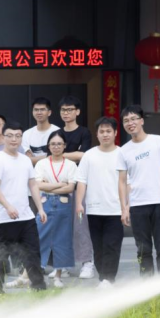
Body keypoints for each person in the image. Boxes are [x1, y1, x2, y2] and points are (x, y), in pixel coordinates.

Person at [0, 121, 47, 294]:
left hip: (26, 217)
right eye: (10, 135)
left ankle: (38, 288)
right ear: (4, 137)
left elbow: (33, 185)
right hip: (4, 218)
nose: (14, 139)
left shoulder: (25, 160)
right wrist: (8, 206)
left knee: (33, 254)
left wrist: (40, 209)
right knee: (0, 257)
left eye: (18, 136)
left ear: (22, 137)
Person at [116, 105, 160, 276]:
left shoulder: (157, 140)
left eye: (133, 119)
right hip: (137, 204)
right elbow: (121, 181)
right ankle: (147, 284)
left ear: (141, 121)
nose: (130, 123)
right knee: (142, 248)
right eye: (126, 120)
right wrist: (124, 208)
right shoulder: (124, 150)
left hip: (159, 202)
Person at [75, 117, 124, 286]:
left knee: (112, 245)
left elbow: (128, 183)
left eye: (108, 131)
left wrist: (127, 207)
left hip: (115, 209)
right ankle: (104, 278)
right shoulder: (89, 155)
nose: (105, 135)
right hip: (94, 209)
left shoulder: (122, 154)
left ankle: (108, 279)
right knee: (98, 247)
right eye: (101, 131)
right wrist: (79, 203)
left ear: (115, 133)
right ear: (97, 134)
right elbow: (82, 180)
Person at [58, 95, 96, 280]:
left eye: (70, 109)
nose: (66, 113)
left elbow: (84, 155)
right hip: (59, 185)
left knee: (81, 226)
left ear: (77, 112)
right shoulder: (57, 133)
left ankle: (87, 262)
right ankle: (62, 264)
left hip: (79, 185)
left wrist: (62, 154)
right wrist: (73, 154)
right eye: (64, 110)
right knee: (61, 226)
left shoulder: (84, 132)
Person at [34, 132, 76, 288]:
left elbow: (71, 187)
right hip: (44, 203)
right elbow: (38, 185)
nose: (56, 147)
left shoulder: (71, 165)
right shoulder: (41, 164)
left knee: (62, 239)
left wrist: (49, 186)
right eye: (53, 144)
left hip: (64, 204)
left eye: (59, 144)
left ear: (65, 145)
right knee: (40, 236)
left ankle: (58, 275)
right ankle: (36, 273)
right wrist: (60, 184)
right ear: (48, 146)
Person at [26, 97, 60, 163]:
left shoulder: (58, 132)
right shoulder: (26, 134)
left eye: (42, 109)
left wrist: (34, 159)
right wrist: (49, 156)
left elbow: (58, 157)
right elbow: (27, 160)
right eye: (36, 110)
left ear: (49, 112)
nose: (39, 112)